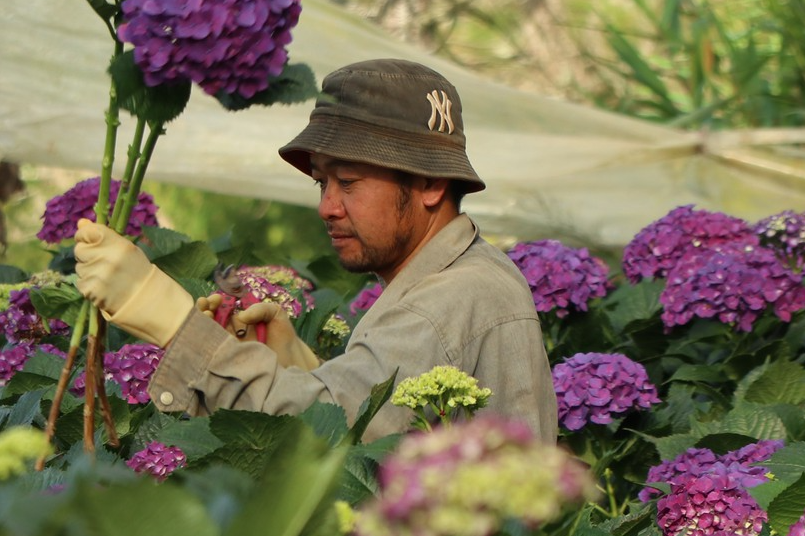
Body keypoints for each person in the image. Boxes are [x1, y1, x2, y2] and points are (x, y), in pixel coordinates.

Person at [73, 58, 557, 442]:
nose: (326, 206)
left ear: (430, 183)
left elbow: (318, 440)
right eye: (322, 181)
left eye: (348, 182)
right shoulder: (476, 272)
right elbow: (374, 429)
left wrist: (167, 314)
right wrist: (296, 364)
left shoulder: (447, 302)